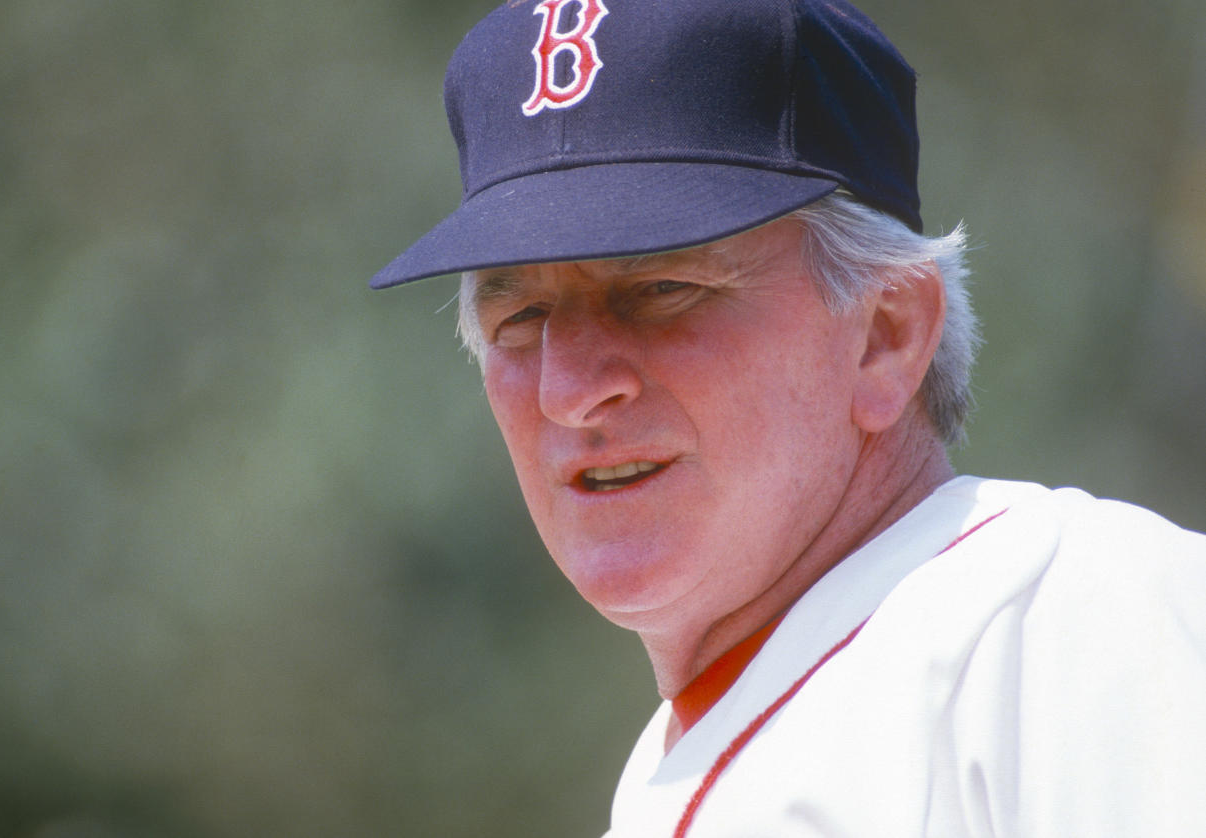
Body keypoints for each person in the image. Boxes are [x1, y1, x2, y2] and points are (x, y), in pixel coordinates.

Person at [370, 0, 1206, 835]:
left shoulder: (1067, 628)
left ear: (884, 336)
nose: (569, 390)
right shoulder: (697, 757)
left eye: (662, 291)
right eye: (520, 319)